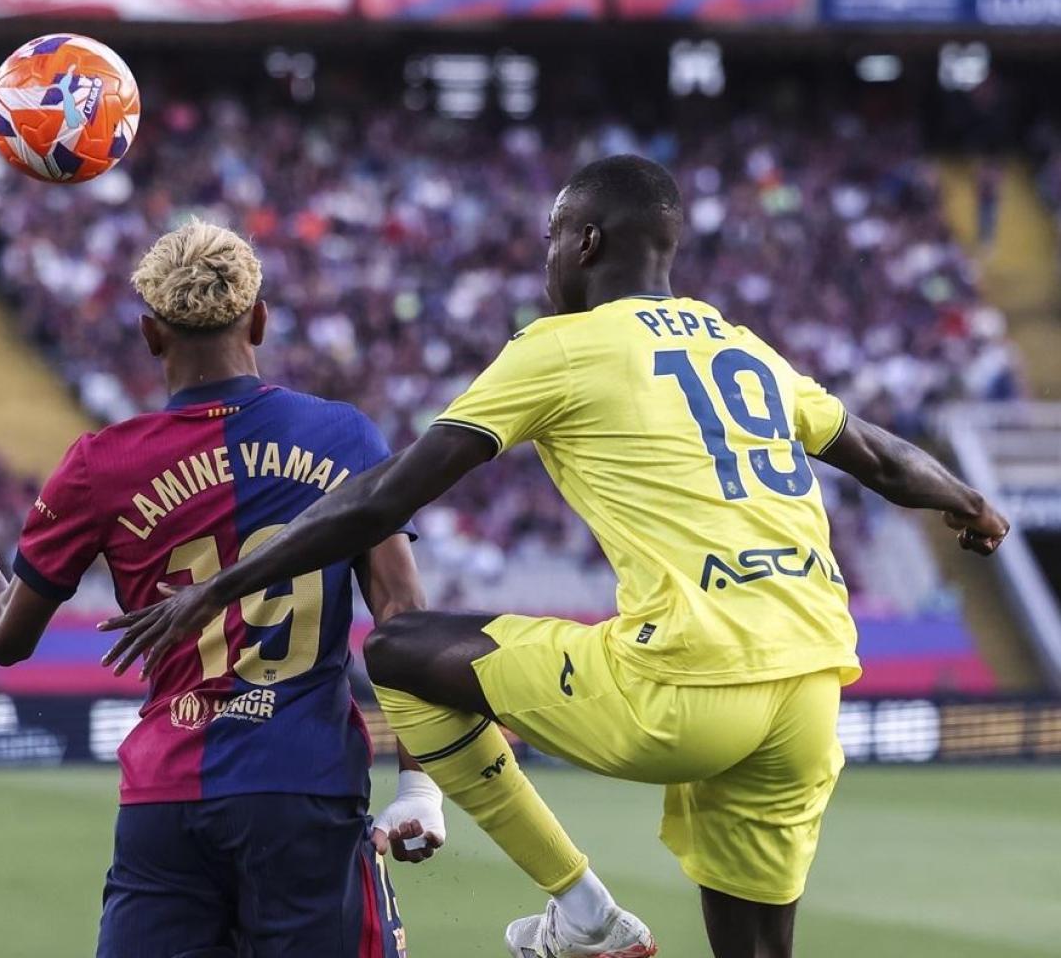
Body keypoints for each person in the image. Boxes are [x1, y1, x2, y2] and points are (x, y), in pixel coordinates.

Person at [100, 156, 1010, 958]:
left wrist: (220, 584)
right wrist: (967, 502)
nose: (543, 258)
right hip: (811, 688)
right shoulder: (745, 348)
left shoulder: (562, 349)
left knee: (401, 651)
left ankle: (581, 911)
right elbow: (885, 457)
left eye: (549, 237)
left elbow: (385, 497)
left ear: (583, 243)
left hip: (686, 686)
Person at [0, 220, 646, 957]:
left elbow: (5, 637)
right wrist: (418, 786)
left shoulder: (98, 465)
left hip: (167, 801)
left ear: (150, 334)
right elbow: (404, 620)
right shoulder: (342, 436)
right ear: (261, 320)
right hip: (306, 793)